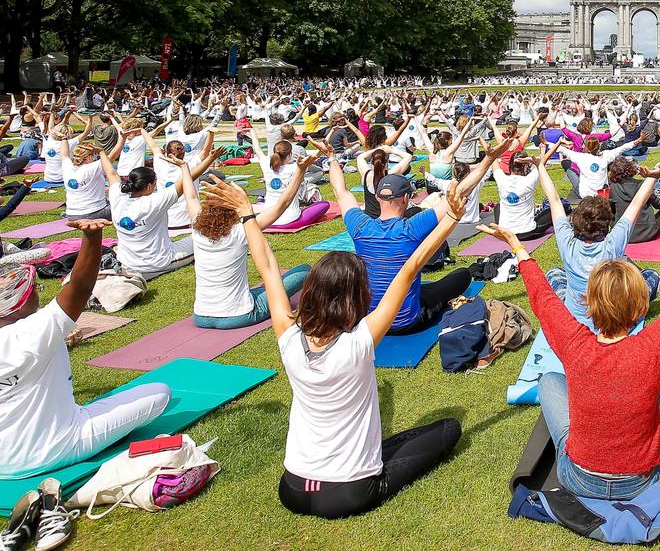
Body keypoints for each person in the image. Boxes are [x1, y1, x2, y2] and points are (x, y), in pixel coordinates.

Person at [199, 180, 464, 519]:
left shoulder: (288, 335)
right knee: (447, 429)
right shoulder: (361, 340)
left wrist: (246, 212)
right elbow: (410, 266)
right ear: (358, 296)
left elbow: (266, 266)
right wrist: (451, 219)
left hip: (292, 487)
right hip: (349, 492)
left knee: (399, 442)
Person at [486, 219, 660, 499]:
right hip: (643, 482)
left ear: (589, 304)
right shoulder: (652, 346)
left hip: (578, 479)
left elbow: (543, 298)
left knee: (550, 380)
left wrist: (517, 246)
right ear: (640, 305)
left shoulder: (574, 343)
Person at [0, 220, 172, 486]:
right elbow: (79, 288)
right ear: (20, 301)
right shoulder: (34, 330)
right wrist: (92, 237)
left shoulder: (33, 330)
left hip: (3, 461)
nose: (40, 295)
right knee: (160, 393)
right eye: (37, 290)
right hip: (58, 446)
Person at [325, 139, 494, 336]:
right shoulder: (411, 227)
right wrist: (488, 160)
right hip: (406, 322)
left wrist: (331, 158)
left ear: (378, 197)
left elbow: (341, 192)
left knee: (420, 288)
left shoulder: (360, 226)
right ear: (406, 199)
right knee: (462, 275)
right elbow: (459, 193)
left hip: (370, 320)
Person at [536, 142, 660, 325]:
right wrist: (654, 176)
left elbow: (554, 200)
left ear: (575, 221)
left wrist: (540, 166)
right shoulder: (612, 243)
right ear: (607, 223)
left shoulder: (567, 242)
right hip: (612, 316)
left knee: (553, 274)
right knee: (650, 275)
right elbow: (637, 202)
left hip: (575, 317)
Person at [186, 161, 316, 328]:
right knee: (304, 270)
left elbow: (190, 196)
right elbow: (282, 204)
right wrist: (301, 170)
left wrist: (184, 168)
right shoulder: (242, 231)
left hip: (201, 316)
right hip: (240, 316)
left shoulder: (196, 228)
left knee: (256, 290)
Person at [101, 152, 196, 281]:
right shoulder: (155, 201)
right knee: (199, 239)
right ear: (150, 185)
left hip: (127, 263)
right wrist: (185, 166)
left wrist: (101, 152)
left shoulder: (118, 197)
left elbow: (111, 174)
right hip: (157, 264)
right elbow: (188, 181)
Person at [607, 156, 660, 243]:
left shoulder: (612, 188)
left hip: (622, 234)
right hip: (647, 233)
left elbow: (611, 213)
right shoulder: (642, 185)